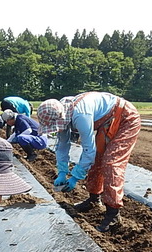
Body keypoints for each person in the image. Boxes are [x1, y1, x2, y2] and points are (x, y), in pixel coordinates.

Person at [37, 92, 141, 232]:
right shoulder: (61, 111)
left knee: (111, 162)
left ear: (61, 118)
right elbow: (62, 145)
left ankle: (113, 213)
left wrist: (75, 177)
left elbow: (88, 150)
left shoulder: (80, 115)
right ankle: (93, 199)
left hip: (124, 118)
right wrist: (62, 172)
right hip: (107, 121)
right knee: (97, 159)